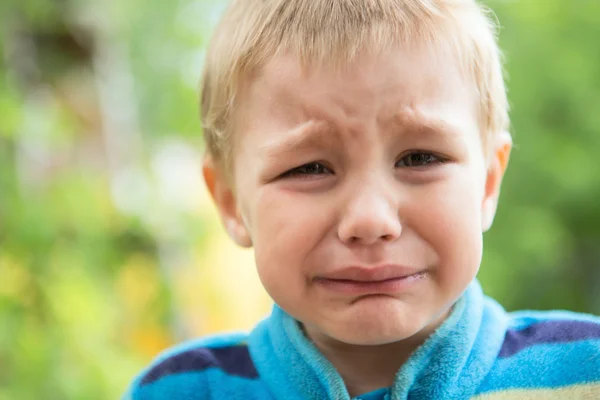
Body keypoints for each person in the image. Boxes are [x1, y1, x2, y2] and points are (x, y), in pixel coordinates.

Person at [124, 0, 600, 398]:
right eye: (309, 168)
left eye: (419, 158)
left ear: (488, 183)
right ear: (230, 202)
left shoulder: (585, 373)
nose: (371, 220)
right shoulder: (179, 391)